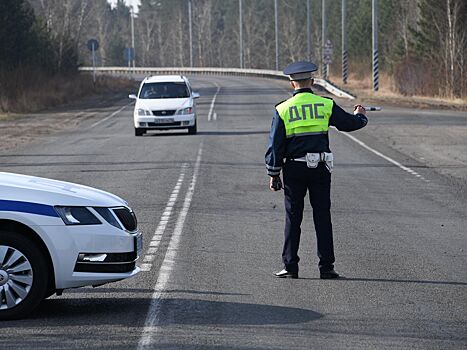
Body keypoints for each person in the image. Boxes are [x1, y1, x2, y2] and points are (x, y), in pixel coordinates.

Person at [265, 61, 368, 279]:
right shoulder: (325, 104)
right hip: (320, 168)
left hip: (293, 168)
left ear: (292, 83)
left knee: (293, 218)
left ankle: (291, 267)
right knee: (322, 216)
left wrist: (274, 174)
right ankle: (326, 268)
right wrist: (361, 115)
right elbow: (349, 123)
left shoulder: (282, 109)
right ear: (311, 82)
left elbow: (275, 145)